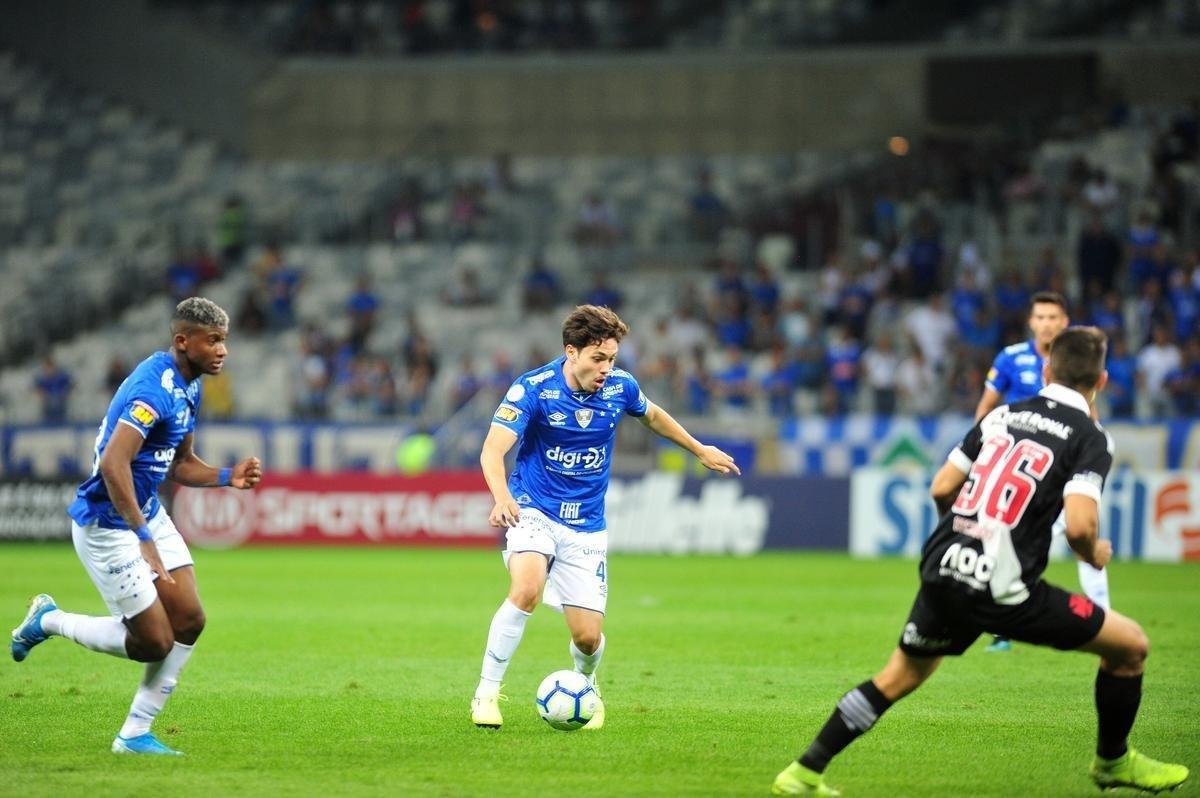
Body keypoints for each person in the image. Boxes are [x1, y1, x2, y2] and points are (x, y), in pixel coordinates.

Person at [772, 327, 1189, 796]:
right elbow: (1078, 526)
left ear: (1047, 370)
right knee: (1130, 648)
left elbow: (942, 487)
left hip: (944, 565)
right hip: (1003, 586)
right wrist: (1094, 553)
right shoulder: (1091, 437)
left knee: (898, 677)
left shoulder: (1003, 415)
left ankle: (804, 770)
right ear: (1103, 380)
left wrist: (965, 538)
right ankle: (1112, 762)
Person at [10, 298, 263, 756]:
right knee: (154, 642)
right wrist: (143, 538)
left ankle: (133, 735)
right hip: (109, 525)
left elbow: (180, 464)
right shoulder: (153, 391)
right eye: (213, 341)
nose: (222, 350)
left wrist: (228, 477)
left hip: (144, 510)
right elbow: (112, 463)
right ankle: (48, 620)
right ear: (183, 342)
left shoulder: (190, 384)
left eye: (224, 340)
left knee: (190, 620)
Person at [470, 305, 740, 729]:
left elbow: (653, 416)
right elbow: (492, 449)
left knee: (587, 638)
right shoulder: (533, 389)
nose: (606, 368)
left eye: (612, 358)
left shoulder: (620, 388)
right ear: (571, 352)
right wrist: (502, 497)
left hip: (586, 526)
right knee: (526, 589)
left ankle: (585, 684)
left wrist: (699, 448)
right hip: (534, 508)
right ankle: (486, 693)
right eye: (598, 358)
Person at [974, 291, 1110, 652]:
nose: (1047, 323)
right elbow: (986, 408)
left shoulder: (1077, 358)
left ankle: (1104, 615)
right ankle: (1000, 626)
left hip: (1065, 468)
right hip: (1022, 470)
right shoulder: (1010, 358)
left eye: (1054, 317)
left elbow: (1088, 413)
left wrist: (1093, 449)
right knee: (1009, 541)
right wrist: (981, 451)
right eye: (1041, 317)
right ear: (1031, 322)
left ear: (1065, 322)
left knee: (1084, 535)